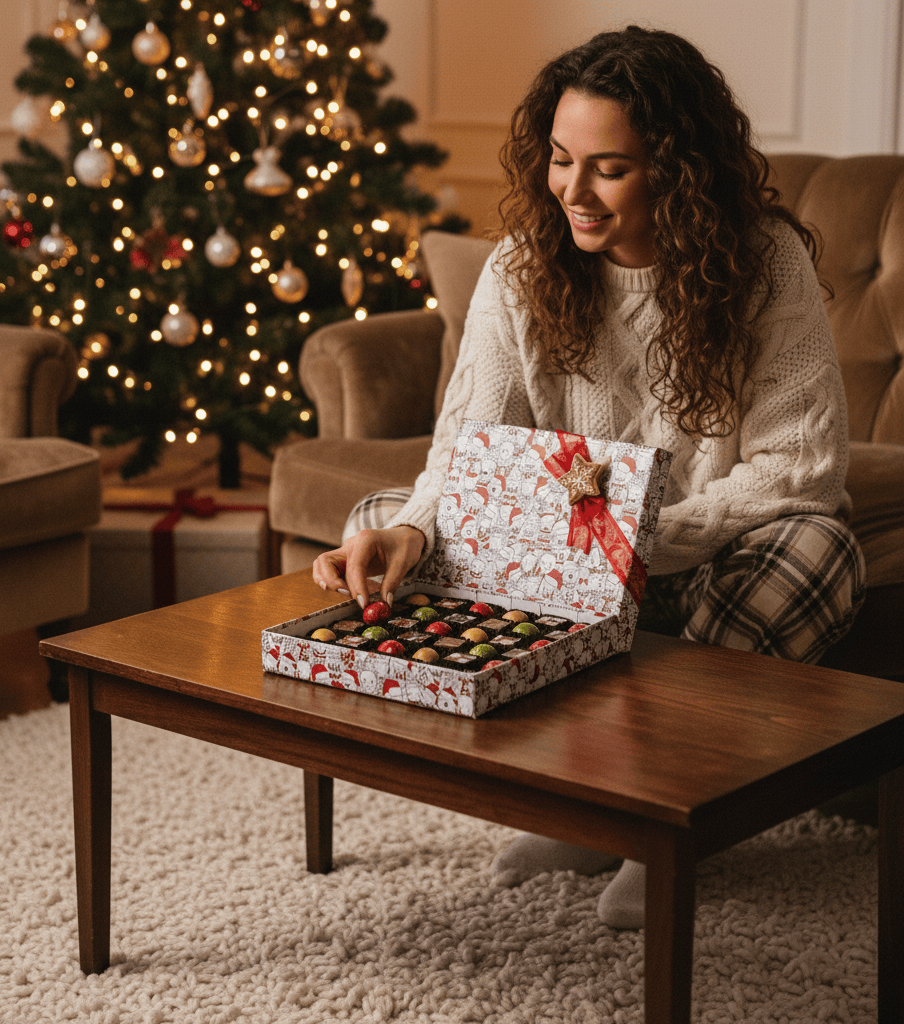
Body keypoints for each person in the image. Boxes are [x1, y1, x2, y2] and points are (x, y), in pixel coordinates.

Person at [312, 26, 866, 929]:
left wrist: (632, 540)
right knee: (377, 520)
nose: (571, 191)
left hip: (710, 546)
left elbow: (800, 467)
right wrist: (415, 528)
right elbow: (468, 447)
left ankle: (667, 827)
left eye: (608, 168)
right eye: (560, 160)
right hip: (568, 555)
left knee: (817, 550)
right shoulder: (523, 265)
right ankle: (582, 808)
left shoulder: (765, 263)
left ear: (678, 170)